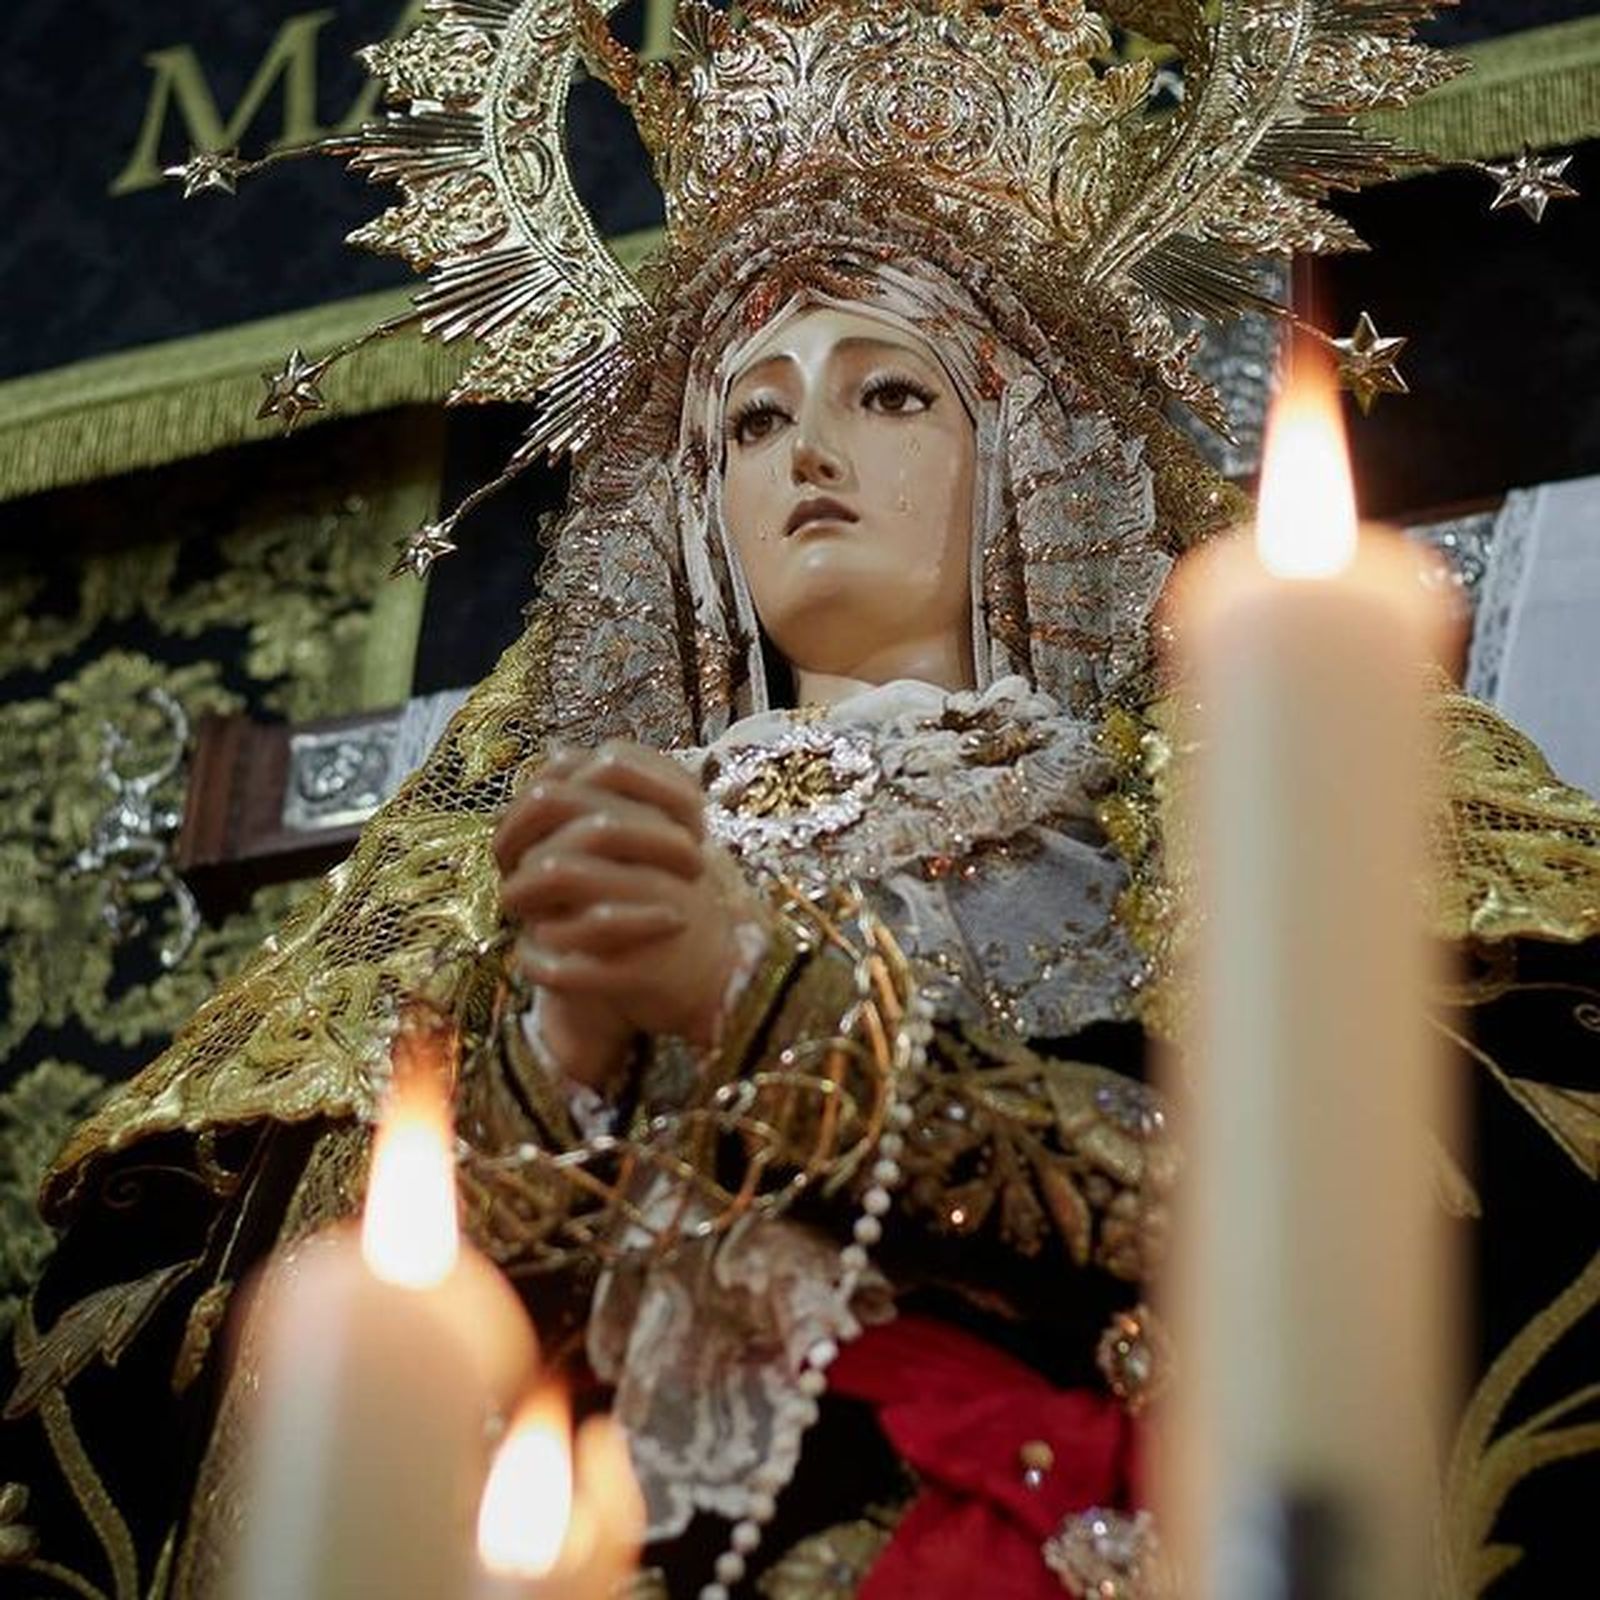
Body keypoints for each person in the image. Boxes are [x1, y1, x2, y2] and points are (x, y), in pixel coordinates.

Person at [3, 4, 1597, 1597]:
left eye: (889, 393)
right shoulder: (554, 862)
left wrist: (764, 996)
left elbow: (1350, 1222)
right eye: (751, 417)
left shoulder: (1178, 830)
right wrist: (551, 1067)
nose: (804, 453)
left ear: (1030, 451)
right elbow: (326, 1350)